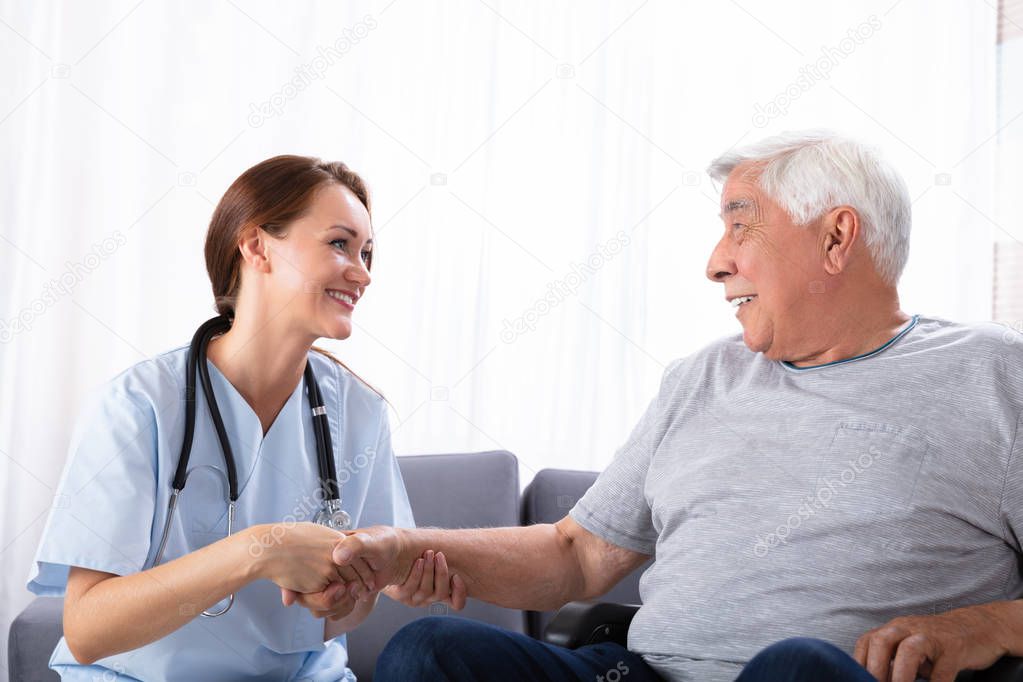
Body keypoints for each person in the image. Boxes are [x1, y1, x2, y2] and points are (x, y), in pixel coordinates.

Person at [315, 132, 1023, 682]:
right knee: (432, 652)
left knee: (794, 666)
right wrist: (403, 552)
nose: (715, 262)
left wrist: (988, 626)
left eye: (740, 227)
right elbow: (577, 555)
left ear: (835, 237)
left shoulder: (990, 372)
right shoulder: (701, 378)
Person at [26, 155, 463, 681]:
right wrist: (261, 551)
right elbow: (89, 630)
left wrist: (345, 597)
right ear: (257, 246)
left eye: (368, 253)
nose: (363, 273)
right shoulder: (139, 405)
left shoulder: (360, 412)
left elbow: (344, 615)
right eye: (339, 244)